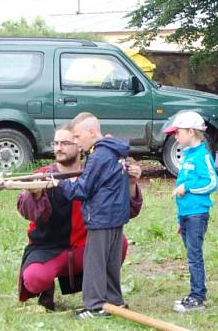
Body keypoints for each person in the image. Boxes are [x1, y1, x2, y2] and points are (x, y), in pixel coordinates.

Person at [17, 125, 143, 312]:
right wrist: (34, 194)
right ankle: (47, 289)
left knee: (119, 244)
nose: (59, 148)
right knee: (35, 278)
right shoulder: (43, 174)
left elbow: (125, 210)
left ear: (79, 145)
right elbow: (29, 212)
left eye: (66, 142)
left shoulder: (97, 170)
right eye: (56, 143)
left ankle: (104, 294)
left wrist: (131, 184)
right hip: (50, 248)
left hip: (85, 248)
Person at [57, 112, 132, 319]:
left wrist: (60, 184)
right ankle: (114, 301)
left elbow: (82, 190)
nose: (77, 143)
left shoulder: (98, 155)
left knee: (95, 264)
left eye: (78, 137)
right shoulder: (116, 152)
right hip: (116, 216)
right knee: (110, 262)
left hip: (101, 216)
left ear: (91, 132)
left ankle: (94, 306)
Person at [165, 111, 218, 313]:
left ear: (191, 132)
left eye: (178, 132)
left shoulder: (202, 156)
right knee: (191, 254)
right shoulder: (188, 156)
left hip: (197, 213)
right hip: (187, 215)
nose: (175, 137)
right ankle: (196, 292)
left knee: (194, 255)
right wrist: (180, 219)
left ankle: (198, 296)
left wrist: (187, 188)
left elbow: (212, 183)